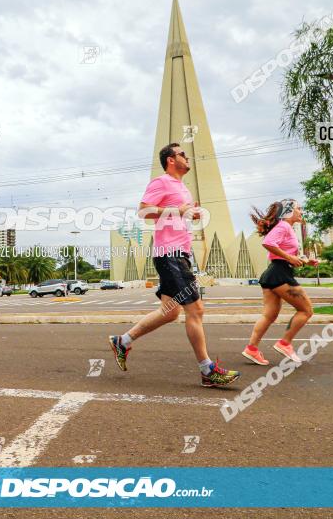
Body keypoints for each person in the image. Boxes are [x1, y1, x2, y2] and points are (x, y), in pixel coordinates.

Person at [107, 143, 240, 388]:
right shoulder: (162, 182)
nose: (187, 157)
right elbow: (143, 211)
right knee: (196, 309)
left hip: (178, 254)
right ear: (170, 160)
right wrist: (177, 210)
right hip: (170, 254)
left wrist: (189, 213)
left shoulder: (182, 188)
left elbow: (178, 214)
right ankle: (207, 370)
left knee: (171, 312)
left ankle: (122, 341)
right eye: (182, 154)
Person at [241, 199, 318, 366]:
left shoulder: (285, 228)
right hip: (280, 274)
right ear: (289, 211)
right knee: (306, 310)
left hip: (273, 274)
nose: (301, 211)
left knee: (269, 315)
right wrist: (290, 257)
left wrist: (305, 261)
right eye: (298, 208)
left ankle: (251, 349)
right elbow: (268, 243)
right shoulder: (284, 226)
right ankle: (285, 343)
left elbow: (282, 253)